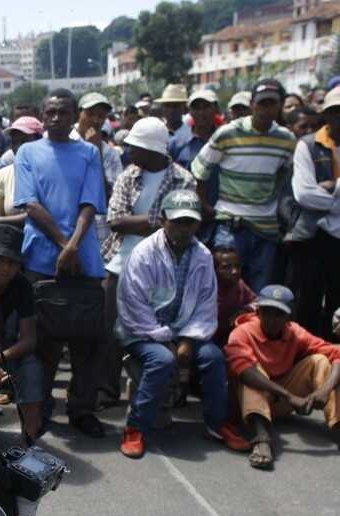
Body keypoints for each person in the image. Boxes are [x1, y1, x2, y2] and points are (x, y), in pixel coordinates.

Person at [117, 190, 250, 458]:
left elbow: (205, 302)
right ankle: (136, 428)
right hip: (142, 330)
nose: (183, 228)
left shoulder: (202, 255)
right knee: (162, 360)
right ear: (163, 219)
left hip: (186, 330)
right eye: (177, 221)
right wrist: (165, 339)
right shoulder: (144, 253)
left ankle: (217, 423)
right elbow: (133, 303)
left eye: (189, 222)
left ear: (198, 224)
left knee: (213, 357)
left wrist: (189, 339)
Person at [15, 89, 108, 438]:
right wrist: (61, 245)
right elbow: (29, 203)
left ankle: (82, 409)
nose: (56, 118)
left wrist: (72, 247)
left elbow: (90, 204)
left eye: (63, 112)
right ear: (43, 115)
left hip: (84, 257)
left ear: (73, 116)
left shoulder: (88, 153)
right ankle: (42, 407)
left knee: (87, 340)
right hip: (41, 256)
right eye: (50, 112)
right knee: (44, 341)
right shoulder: (27, 151)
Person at [100, 117, 196, 407]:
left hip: (162, 266)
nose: (130, 152)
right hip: (121, 262)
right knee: (110, 329)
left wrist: (149, 223)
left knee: (155, 332)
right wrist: (161, 221)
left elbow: (182, 226)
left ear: (153, 149)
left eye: (135, 147)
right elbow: (115, 220)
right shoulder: (128, 175)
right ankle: (107, 388)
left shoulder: (183, 179)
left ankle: (157, 394)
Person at [192, 79, 296, 293]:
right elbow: (200, 171)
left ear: (279, 106)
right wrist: (205, 206)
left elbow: (285, 178)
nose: (266, 109)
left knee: (259, 293)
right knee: (224, 292)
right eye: (262, 103)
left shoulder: (286, 139)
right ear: (252, 104)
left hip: (266, 230)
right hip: (231, 226)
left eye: (272, 104)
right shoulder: (228, 133)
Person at [226, 285, 340, 469]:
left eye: (278, 314)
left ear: (289, 317)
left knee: (319, 360)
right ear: (258, 311)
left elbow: (336, 354)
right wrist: (289, 396)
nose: (271, 320)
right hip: (247, 403)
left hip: (279, 398)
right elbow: (245, 371)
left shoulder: (295, 331)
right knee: (253, 372)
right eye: (267, 312)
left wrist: (325, 390)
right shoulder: (242, 332)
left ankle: (337, 425)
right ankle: (261, 439)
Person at [288, 87, 340, 338]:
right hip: (314, 237)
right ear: (326, 116)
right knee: (307, 301)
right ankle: (306, 361)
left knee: (337, 305)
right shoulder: (307, 146)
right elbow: (304, 194)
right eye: (335, 112)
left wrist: (335, 188)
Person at [0, 224, 43, 444]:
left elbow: (29, 340)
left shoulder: (21, 285)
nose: (6, 267)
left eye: (12, 262)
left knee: (31, 368)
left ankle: (30, 439)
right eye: (0, 259)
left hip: (2, 350)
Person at [169, 89, 221, 236]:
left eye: (206, 107)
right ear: (189, 111)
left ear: (215, 109)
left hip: (219, 216)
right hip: (185, 217)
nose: (201, 112)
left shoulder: (225, 140)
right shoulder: (176, 143)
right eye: (196, 108)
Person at [0, 117, 44, 227]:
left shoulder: (51, 172)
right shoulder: (1, 175)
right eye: (14, 142)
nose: (18, 147)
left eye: (23, 141)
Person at [73, 92, 123, 196]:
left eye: (101, 116)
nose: (95, 120)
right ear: (79, 113)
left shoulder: (110, 154)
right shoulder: (64, 141)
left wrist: (97, 153)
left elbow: (112, 195)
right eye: (90, 114)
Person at [213, 247, 256, 346]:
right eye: (226, 267)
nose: (234, 271)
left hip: (230, 336)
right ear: (214, 269)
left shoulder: (239, 285)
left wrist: (246, 310)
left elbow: (257, 302)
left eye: (237, 266)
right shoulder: (206, 289)